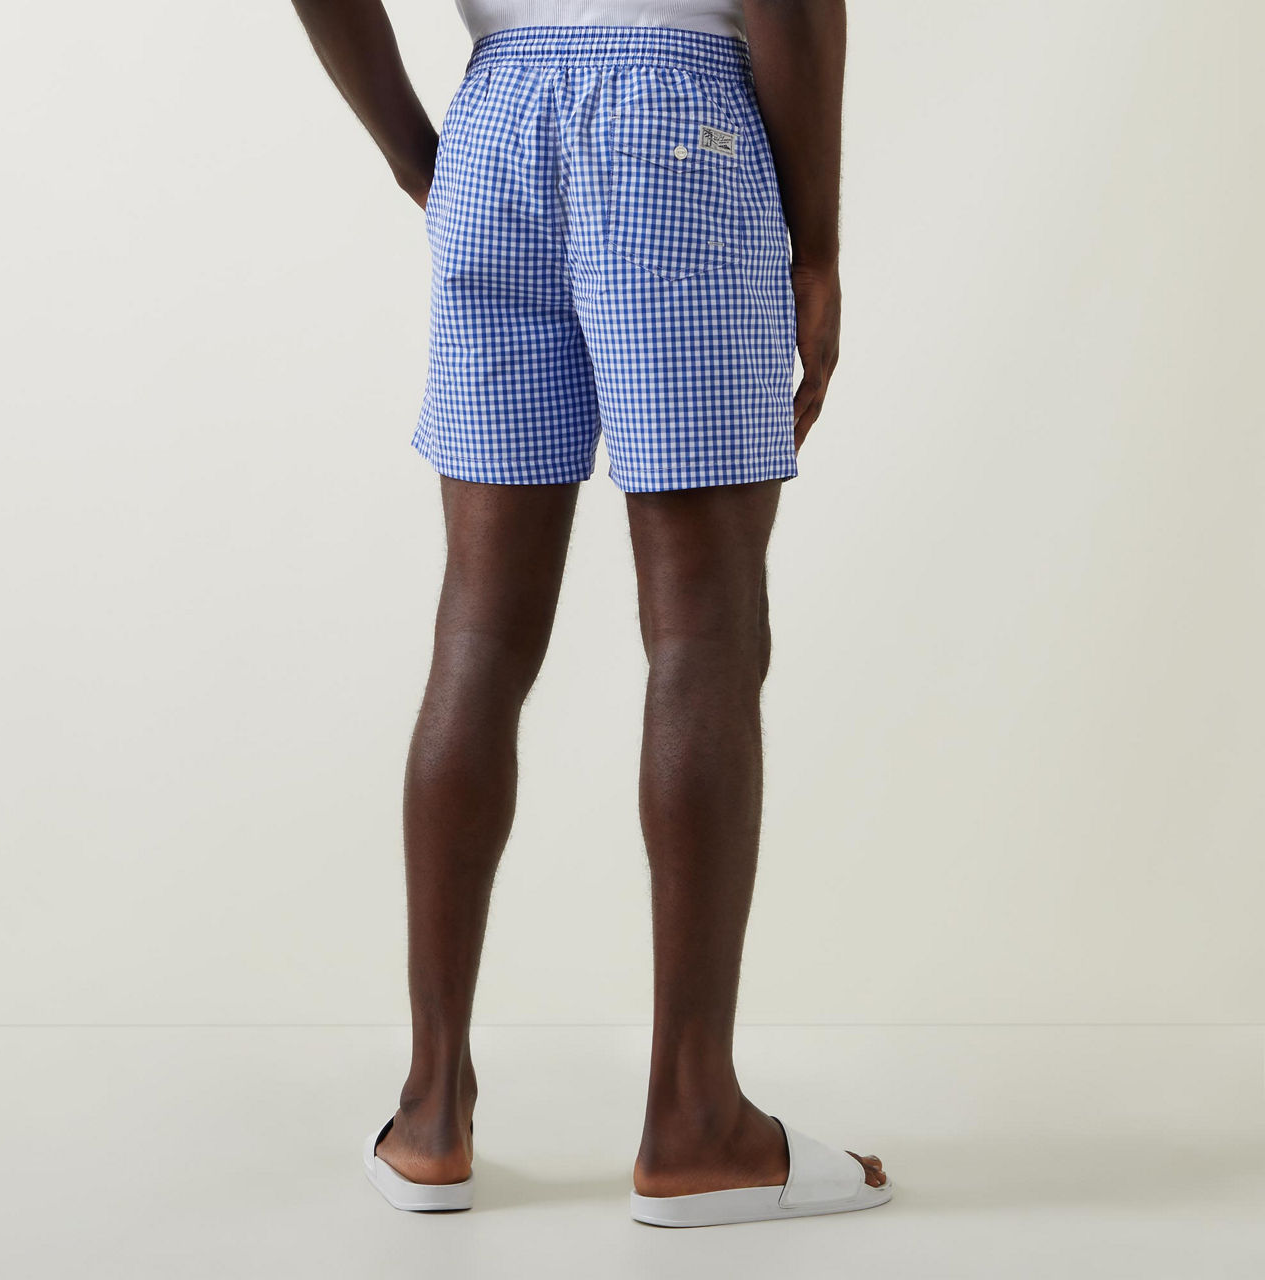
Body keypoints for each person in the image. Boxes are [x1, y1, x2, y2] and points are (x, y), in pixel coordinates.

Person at [290, 0, 890, 1228]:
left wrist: (420, 155)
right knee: (704, 632)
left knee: (478, 632)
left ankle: (430, 1112)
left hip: (495, 117)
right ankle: (695, 1120)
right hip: (679, 124)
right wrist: (816, 245)